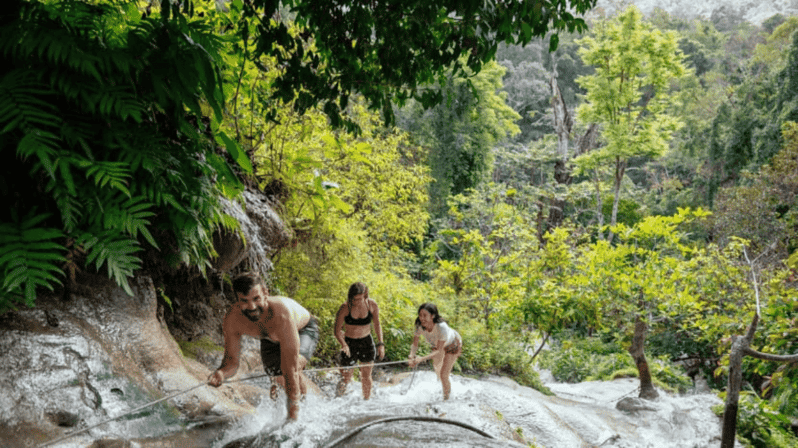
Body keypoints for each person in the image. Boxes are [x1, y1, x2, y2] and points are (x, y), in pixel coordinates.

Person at [207, 272, 319, 420]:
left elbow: (289, 371)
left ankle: (303, 411)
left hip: (303, 329)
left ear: (265, 293)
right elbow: (231, 363)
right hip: (270, 338)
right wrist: (221, 373)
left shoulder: (280, 314)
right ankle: (293, 405)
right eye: (244, 300)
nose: (252, 306)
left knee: (292, 369)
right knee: (278, 376)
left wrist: (293, 421)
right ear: (237, 300)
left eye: (256, 298)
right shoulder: (233, 319)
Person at [333, 282, 385, 399]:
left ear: (365, 295)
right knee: (346, 377)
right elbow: (336, 331)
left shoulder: (372, 305)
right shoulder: (345, 307)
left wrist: (380, 343)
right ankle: (336, 400)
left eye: (359, 299)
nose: (356, 302)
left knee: (366, 376)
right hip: (349, 343)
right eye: (354, 299)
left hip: (366, 342)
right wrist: (344, 344)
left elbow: (377, 325)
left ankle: (366, 401)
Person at [407, 302, 462, 400]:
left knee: (443, 374)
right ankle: (445, 387)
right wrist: (411, 356)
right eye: (420, 315)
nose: (422, 318)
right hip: (437, 346)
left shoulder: (441, 327)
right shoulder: (419, 326)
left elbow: (439, 351)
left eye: (425, 315)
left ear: (433, 316)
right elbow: (415, 344)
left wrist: (421, 359)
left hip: (453, 344)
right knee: (437, 371)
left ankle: (446, 400)